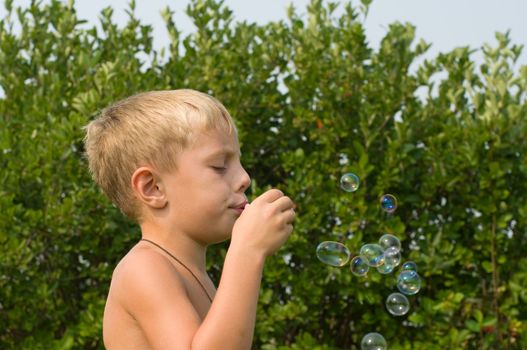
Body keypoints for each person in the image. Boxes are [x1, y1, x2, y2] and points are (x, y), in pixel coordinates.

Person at [83, 89, 296, 349]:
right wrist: (247, 252)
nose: (244, 178)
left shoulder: (192, 273)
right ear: (153, 188)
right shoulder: (144, 268)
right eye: (219, 165)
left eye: (239, 162)